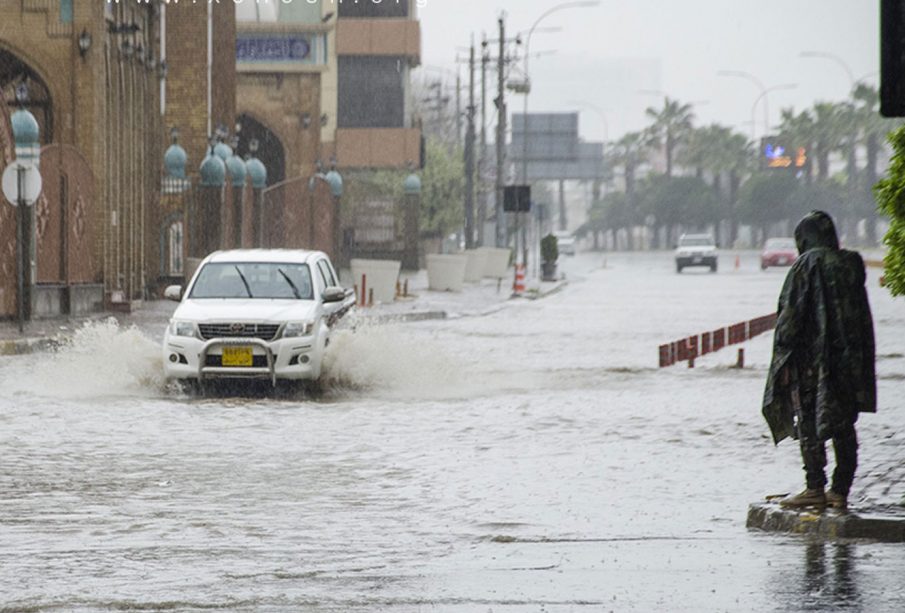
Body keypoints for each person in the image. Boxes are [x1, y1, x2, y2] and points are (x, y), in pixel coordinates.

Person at [762, 211, 876, 509]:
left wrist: (783, 358)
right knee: (844, 423)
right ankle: (840, 490)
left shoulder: (806, 264)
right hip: (851, 360)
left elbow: (790, 317)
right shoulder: (852, 263)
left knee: (810, 419)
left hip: (815, 361)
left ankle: (814, 487)